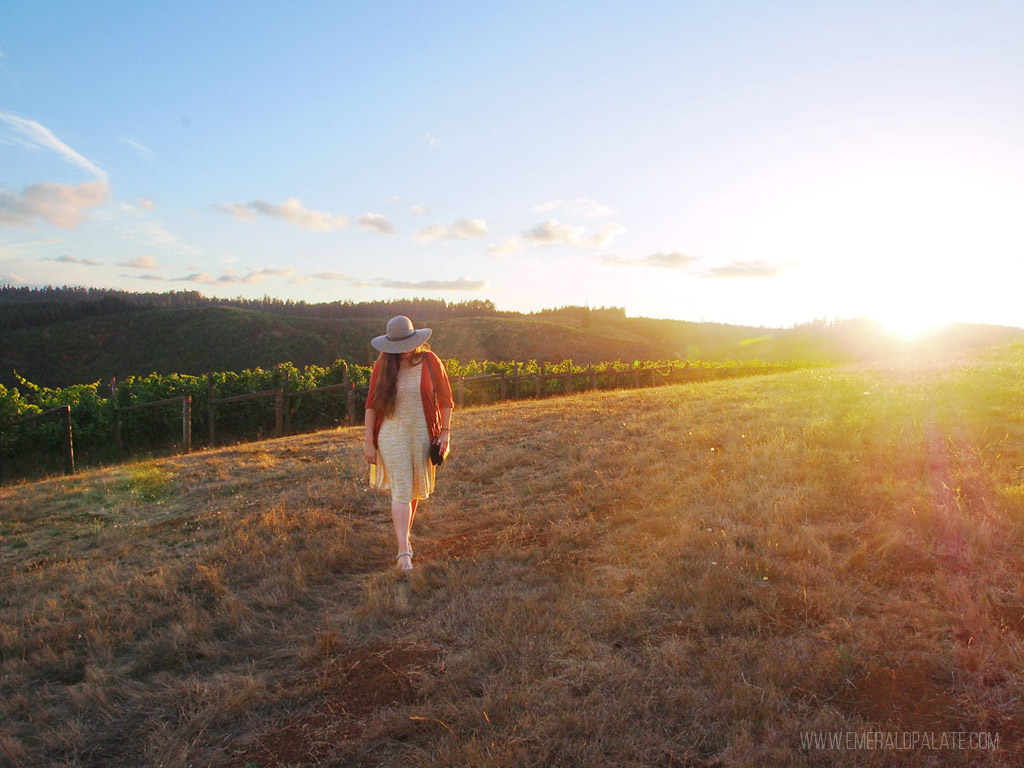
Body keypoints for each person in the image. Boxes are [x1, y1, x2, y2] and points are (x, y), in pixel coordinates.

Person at [363, 315, 453, 573]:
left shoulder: (430, 361)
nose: (403, 351)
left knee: (412, 488)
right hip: (391, 434)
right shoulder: (383, 367)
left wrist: (445, 432)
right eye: (397, 346)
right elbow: (371, 405)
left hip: (422, 433)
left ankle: (405, 537)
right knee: (402, 488)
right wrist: (368, 441)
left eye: (407, 344)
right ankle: (403, 552)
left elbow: (446, 400)